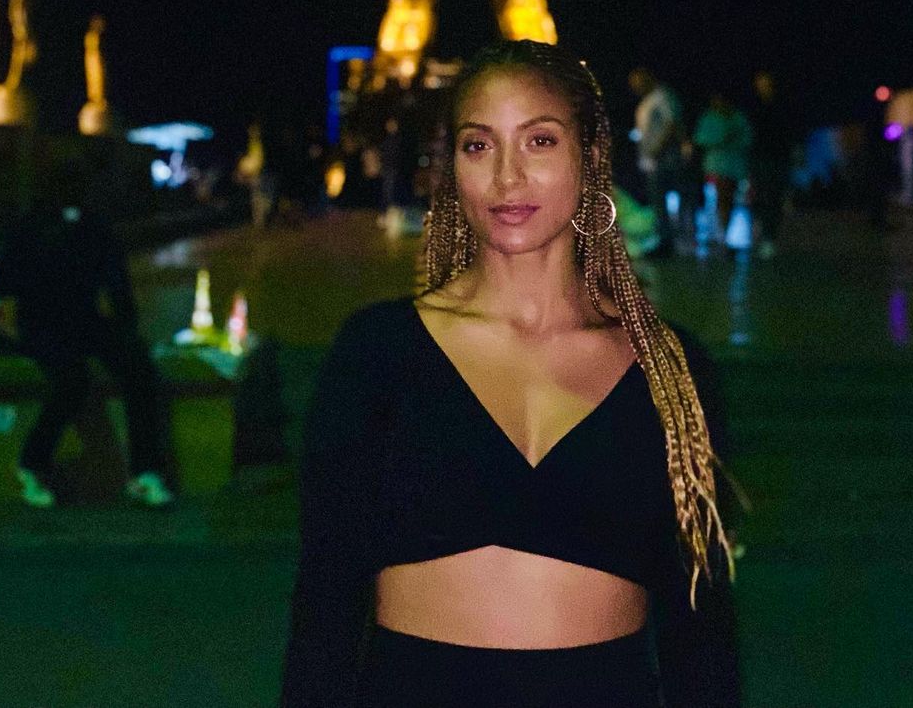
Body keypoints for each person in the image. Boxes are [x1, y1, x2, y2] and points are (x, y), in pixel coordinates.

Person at [281, 40, 739, 708]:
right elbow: (325, 606)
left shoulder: (670, 367)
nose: (506, 177)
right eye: (478, 145)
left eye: (540, 141)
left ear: (591, 156)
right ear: (452, 167)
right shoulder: (377, 353)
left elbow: (700, 629)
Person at [0, 163, 173, 508]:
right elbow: (118, 288)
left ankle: (36, 464)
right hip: (58, 324)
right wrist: (127, 331)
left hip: (50, 323)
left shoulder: (34, 226)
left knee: (123, 373)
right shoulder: (89, 226)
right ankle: (139, 471)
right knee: (84, 379)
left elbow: (3, 283)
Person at [627, 67, 687, 258]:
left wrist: (657, 149)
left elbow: (672, 123)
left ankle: (670, 242)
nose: (635, 87)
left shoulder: (663, 96)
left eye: (638, 82)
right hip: (651, 160)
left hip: (664, 158)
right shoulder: (647, 101)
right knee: (657, 200)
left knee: (665, 198)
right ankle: (664, 239)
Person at [693, 94, 753, 251]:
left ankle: (726, 236)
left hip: (733, 168)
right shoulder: (709, 118)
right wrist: (721, 138)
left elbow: (747, 138)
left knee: (728, 201)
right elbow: (700, 138)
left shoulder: (738, 118)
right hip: (714, 168)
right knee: (716, 201)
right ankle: (717, 235)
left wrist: (732, 138)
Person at [749, 72, 793, 257]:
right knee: (759, 197)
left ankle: (769, 237)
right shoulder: (754, 107)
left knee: (773, 197)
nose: (762, 87)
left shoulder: (782, 106)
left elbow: (789, 131)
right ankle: (763, 234)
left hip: (777, 158)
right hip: (759, 158)